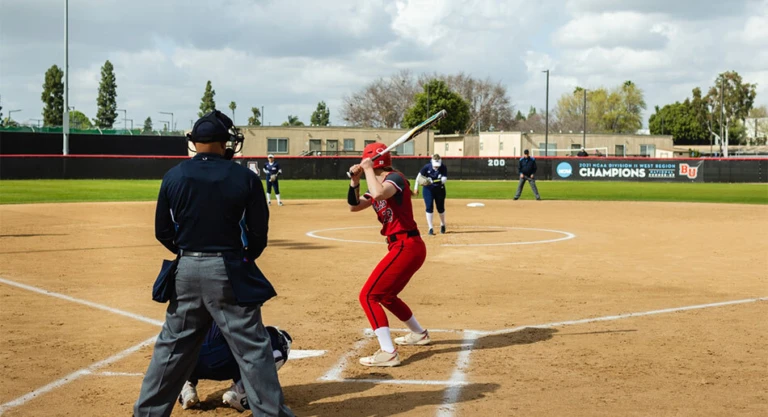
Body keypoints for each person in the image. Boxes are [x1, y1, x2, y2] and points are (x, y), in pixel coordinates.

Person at [134, 110, 294, 417]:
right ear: (224, 143)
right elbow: (258, 234)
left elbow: (162, 231)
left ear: (195, 142)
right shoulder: (245, 178)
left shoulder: (174, 175)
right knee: (252, 349)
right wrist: (243, 257)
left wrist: (187, 251)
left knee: (171, 348)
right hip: (228, 268)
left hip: (185, 268)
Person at [347, 142, 431, 367]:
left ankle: (388, 352)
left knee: (368, 296)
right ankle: (419, 333)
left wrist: (365, 169)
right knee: (386, 296)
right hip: (401, 246)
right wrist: (354, 182)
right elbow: (354, 206)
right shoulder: (378, 181)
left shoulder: (394, 179)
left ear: (373, 163)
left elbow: (379, 193)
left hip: (407, 245)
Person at [178, 322, 293, 412]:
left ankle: (184, 383)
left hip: (187, 361)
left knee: (179, 334)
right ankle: (242, 389)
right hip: (224, 361)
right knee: (280, 340)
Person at [414, 154, 448, 235]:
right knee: (429, 207)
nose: (436, 167)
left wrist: (434, 181)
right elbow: (418, 177)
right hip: (428, 190)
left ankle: (443, 224)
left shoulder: (443, 167)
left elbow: (444, 179)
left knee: (440, 208)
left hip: (440, 189)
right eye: (435, 166)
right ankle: (430, 228)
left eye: (437, 166)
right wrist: (416, 188)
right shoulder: (426, 167)